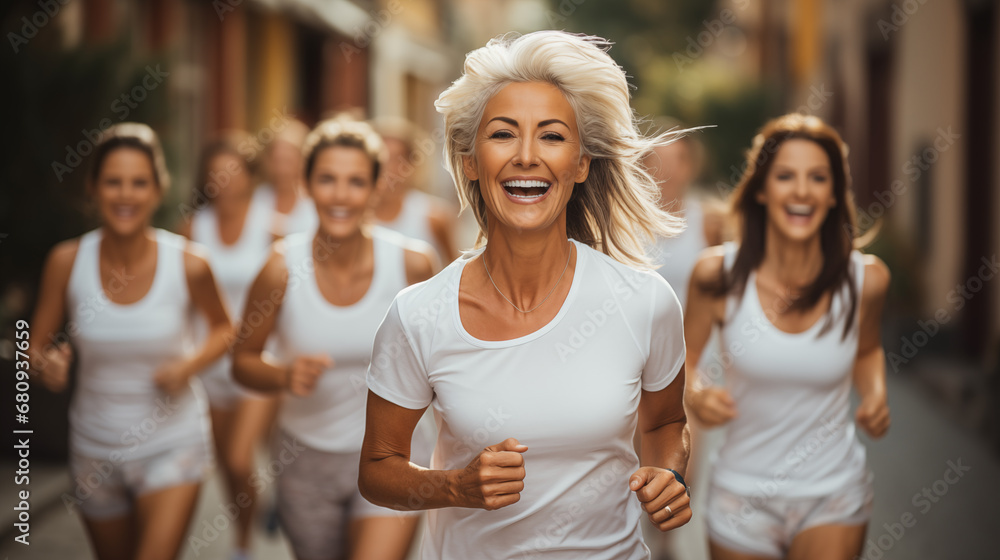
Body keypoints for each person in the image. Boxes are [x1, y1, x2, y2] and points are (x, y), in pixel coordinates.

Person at [359, 31, 692, 559]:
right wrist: (455, 487)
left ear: (581, 165)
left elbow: (666, 422)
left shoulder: (643, 302)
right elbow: (378, 470)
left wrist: (668, 471)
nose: (527, 156)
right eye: (503, 134)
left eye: (553, 137)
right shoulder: (419, 315)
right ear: (470, 161)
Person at [684, 113, 891, 560]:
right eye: (785, 176)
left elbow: (868, 349)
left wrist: (875, 394)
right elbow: (682, 360)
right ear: (761, 189)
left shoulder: (866, 280)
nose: (801, 190)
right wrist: (695, 392)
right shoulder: (716, 274)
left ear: (834, 193)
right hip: (741, 497)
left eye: (817, 177)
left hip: (832, 493)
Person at [232, 116, 437, 560]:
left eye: (356, 181)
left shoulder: (412, 265)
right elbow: (242, 361)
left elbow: (445, 361)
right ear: (306, 184)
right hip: (305, 460)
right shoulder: (280, 268)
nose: (341, 195)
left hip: (393, 456)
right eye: (327, 179)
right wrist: (283, 375)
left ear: (377, 186)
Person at [30, 123, 231, 560]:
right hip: (93, 448)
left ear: (158, 189)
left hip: (172, 444)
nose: (126, 195)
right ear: (93, 188)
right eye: (113, 182)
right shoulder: (66, 262)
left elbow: (224, 329)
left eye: (139, 183)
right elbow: (36, 345)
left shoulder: (190, 264)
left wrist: (188, 366)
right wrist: (46, 365)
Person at [179, 132, 274, 560]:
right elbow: (179, 297)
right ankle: (242, 540)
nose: (224, 179)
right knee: (227, 468)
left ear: (248, 175)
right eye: (215, 172)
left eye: (232, 170)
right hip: (211, 362)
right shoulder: (191, 228)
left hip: (256, 359)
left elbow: (286, 292)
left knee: (240, 458)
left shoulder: (269, 226)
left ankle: (275, 507)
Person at [644, 118, 726, 309]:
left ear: (690, 166)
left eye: (676, 161)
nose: (667, 171)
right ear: (643, 165)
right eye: (658, 161)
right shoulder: (622, 224)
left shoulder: (710, 224)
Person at [372, 117, 460, 263]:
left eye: (398, 159)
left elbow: (455, 269)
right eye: (382, 160)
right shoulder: (355, 216)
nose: (390, 168)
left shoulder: (434, 217)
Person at [255, 118, 318, 236]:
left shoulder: (313, 201)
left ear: (302, 161)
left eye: (288, 161)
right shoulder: (256, 198)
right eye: (277, 161)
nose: (282, 169)